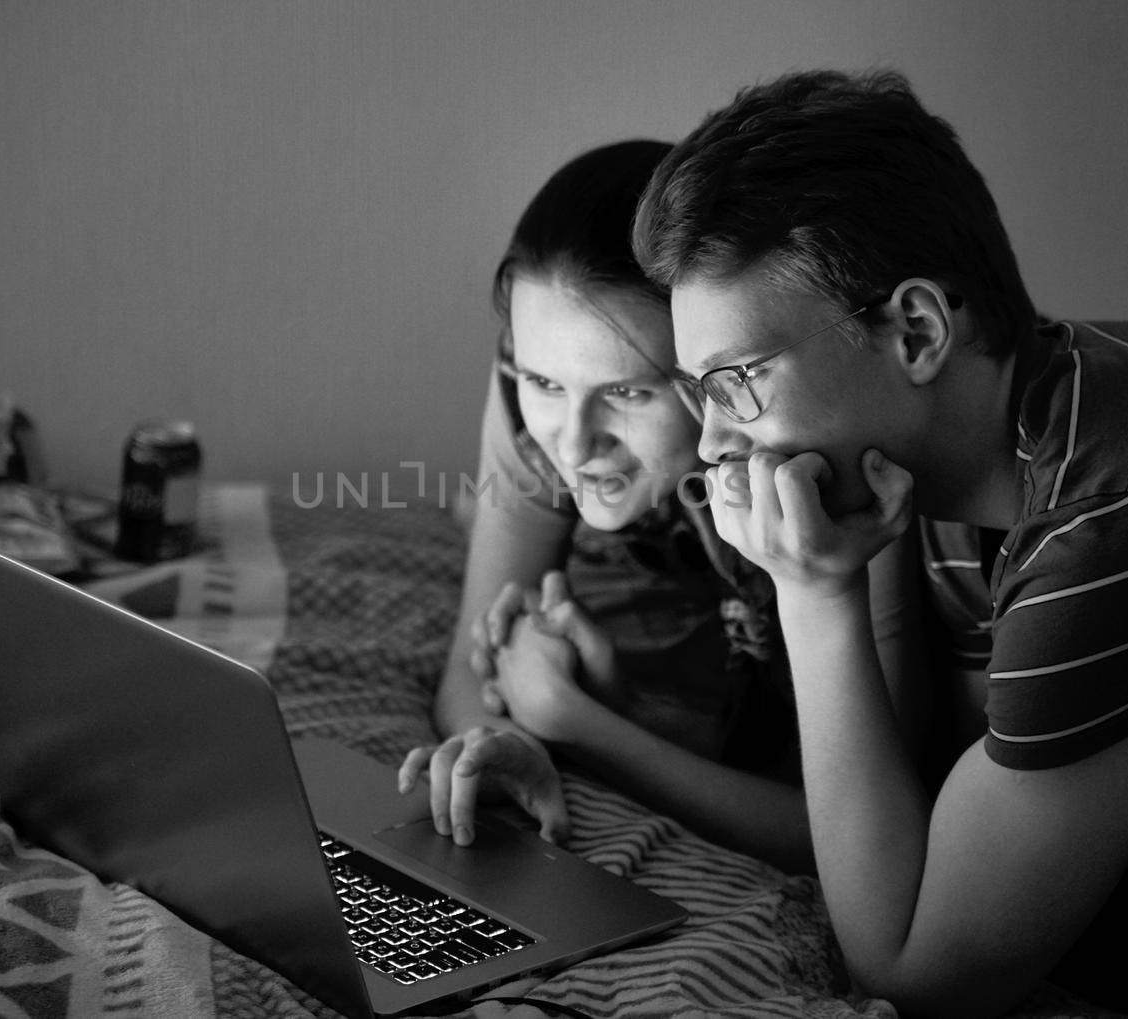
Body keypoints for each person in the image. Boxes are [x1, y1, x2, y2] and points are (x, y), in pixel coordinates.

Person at [629, 67, 1128, 1017]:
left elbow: (916, 968)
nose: (712, 442)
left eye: (737, 380)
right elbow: (916, 797)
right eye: (698, 393)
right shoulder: (961, 460)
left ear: (916, 330)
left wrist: (814, 595)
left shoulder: (1114, 510)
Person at [396, 140, 928, 871]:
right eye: (542, 381)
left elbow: (851, 831)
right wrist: (508, 738)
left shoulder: (836, 462)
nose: (574, 442)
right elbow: (474, 666)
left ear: (716, 370)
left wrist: (581, 725)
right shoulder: (537, 378)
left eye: (626, 392)